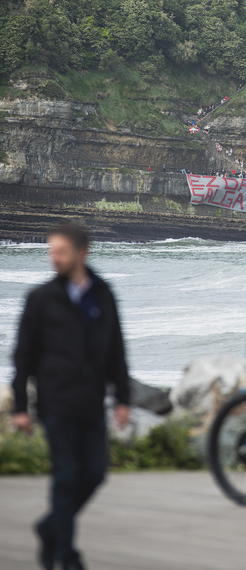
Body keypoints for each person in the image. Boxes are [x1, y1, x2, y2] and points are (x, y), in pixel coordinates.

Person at [12, 222, 130, 570]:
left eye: (61, 251)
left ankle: (50, 527)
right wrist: (21, 407)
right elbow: (23, 356)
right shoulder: (41, 298)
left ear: (82, 252)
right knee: (64, 477)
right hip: (56, 401)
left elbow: (116, 350)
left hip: (92, 401)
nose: (54, 258)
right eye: (51, 251)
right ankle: (66, 554)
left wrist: (123, 398)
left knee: (94, 473)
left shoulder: (103, 293)